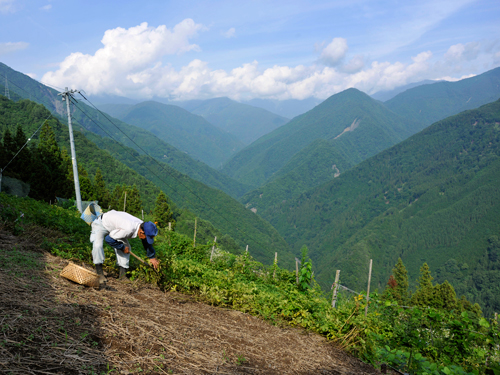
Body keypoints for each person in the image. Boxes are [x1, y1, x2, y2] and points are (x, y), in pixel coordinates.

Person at [90, 210, 160, 285]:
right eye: (146, 237)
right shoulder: (128, 229)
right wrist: (122, 247)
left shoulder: (142, 226)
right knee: (97, 245)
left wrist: (152, 256)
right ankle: (99, 273)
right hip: (101, 224)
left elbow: (146, 241)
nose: (145, 239)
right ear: (141, 232)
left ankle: (122, 276)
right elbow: (109, 239)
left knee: (127, 247)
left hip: (116, 227)